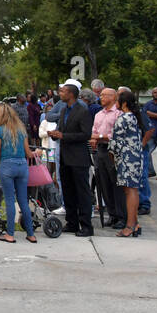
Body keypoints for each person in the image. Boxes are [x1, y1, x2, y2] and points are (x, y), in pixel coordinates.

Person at [50, 78, 95, 237]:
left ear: (71, 94)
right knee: (68, 191)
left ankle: (86, 225)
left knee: (82, 193)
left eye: (62, 91)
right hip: (65, 157)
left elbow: (86, 134)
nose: (60, 93)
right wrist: (56, 135)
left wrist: (64, 135)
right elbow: (62, 129)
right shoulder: (63, 111)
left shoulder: (82, 111)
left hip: (78, 158)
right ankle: (72, 222)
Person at [0, 102, 35, 243]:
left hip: (7, 166)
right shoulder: (20, 130)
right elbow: (28, 153)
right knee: (23, 202)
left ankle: (10, 234)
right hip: (22, 166)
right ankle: (31, 234)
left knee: (9, 201)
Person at [111, 89, 145, 238]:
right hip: (135, 157)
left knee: (130, 191)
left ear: (124, 103)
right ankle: (135, 223)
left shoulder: (124, 118)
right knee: (132, 190)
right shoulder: (135, 117)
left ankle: (130, 225)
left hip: (127, 159)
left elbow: (116, 141)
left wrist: (112, 156)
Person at [90, 87, 123, 230]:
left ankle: (122, 215)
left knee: (116, 183)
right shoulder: (98, 114)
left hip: (113, 151)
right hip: (100, 150)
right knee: (104, 184)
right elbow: (94, 131)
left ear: (113, 97)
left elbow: (118, 134)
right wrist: (95, 139)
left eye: (104, 95)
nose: (101, 98)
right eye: (101, 95)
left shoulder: (119, 114)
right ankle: (112, 214)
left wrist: (101, 137)